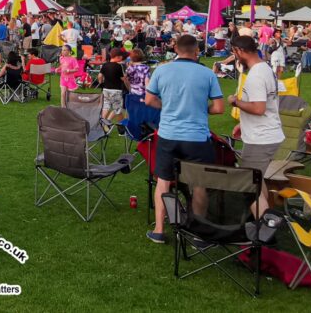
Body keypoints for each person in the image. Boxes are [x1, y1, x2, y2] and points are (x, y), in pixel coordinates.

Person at [144, 34, 225, 243]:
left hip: (169, 135)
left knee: (163, 182)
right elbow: (218, 108)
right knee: (198, 184)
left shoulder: (162, 70)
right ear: (196, 51)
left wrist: (169, 107)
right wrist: (198, 108)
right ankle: (198, 232)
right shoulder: (207, 74)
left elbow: (149, 99)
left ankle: (160, 230)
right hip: (197, 137)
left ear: (175, 49)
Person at [227, 36, 284, 215]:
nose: (235, 57)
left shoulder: (257, 75)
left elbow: (259, 108)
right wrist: (243, 124)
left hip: (261, 138)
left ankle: (264, 233)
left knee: (249, 186)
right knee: (257, 180)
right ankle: (266, 219)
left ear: (240, 51)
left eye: (234, 52)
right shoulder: (263, 68)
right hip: (264, 133)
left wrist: (235, 102)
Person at [99, 47, 130, 123]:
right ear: (117, 57)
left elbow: (100, 76)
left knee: (106, 106)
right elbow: (124, 79)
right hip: (116, 90)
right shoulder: (119, 67)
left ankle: (102, 122)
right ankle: (114, 123)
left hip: (106, 89)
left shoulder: (105, 65)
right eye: (121, 57)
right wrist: (129, 88)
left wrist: (101, 84)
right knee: (118, 109)